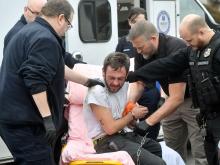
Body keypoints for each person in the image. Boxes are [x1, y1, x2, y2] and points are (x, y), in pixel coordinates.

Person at [0, 0, 103, 164]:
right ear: (61, 18)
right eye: (69, 25)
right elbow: (35, 79)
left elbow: (58, 67)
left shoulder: (30, 31)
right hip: (25, 123)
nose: (66, 30)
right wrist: (47, 119)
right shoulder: (45, 38)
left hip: (13, 118)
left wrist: (87, 81)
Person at [127, 14, 220, 165]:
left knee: (202, 154)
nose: (187, 44)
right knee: (172, 152)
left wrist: (148, 122)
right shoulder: (145, 50)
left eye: (189, 41)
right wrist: (132, 82)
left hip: (193, 104)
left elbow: (177, 97)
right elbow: (157, 70)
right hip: (175, 103)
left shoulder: (180, 47)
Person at [83, 52, 166, 165]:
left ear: (127, 75)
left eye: (120, 79)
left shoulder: (125, 85)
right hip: (104, 141)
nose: (116, 83)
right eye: (111, 78)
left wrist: (133, 118)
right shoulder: (97, 91)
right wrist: (132, 114)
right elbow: (110, 129)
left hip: (123, 134)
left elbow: (123, 117)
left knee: (155, 147)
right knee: (157, 163)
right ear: (103, 72)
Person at [116, 7, 161, 140]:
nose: (138, 25)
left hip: (148, 89)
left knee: (149, 125)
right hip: (130, 88)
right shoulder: (123, 42)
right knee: (129, 121)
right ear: (130, 22)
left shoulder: (151, 42)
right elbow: (117, 62)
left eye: (142, 22)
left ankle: (150, 143)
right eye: (135, 22)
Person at [3, 0, 82, 68]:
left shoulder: (33, 32)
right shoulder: (18, 34)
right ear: (26, 10)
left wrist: (80, 65)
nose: (41, 18)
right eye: (37, 14)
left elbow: (57, 56)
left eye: (44, 14)